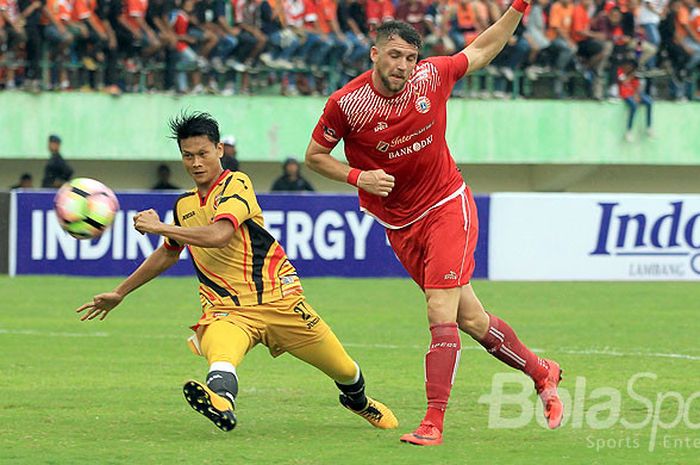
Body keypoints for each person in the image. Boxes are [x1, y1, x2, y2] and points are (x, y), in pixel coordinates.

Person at [305, 18, 563, 446]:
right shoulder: (345, 104)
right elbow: (315, 156)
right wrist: (357, 178)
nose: (404, 65)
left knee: (439, 311)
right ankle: (541, 371)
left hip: (447, 206)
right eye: (395, 55)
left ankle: (433, 421)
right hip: (400, 224)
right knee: (471, 319)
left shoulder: (431, 77)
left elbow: (482, 48)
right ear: (374, 54)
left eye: (410, 57)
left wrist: (518, 8)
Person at [75, 111, 397, 433]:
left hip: (279, 301)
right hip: (226, 309)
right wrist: (120, 292)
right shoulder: (183, 205)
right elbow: (168, 254)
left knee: (344, 369)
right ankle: (221, 403)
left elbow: (219, 235)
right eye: (188, 156)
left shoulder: (237, 184)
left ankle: (358, 402)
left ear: (219, 150)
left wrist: (160, 226)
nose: (196, 163)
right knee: (221, 354)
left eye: (203, 153)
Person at [618, 58, 653, 141]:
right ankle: (629, 130)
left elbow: (637, 86)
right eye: (628, 66)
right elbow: (624, 81)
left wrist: (637, 95)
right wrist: (632, 75)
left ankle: (649, 127)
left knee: (649, 102)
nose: (629, 68)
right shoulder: (620, 71)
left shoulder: (634, 75)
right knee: (633, 106)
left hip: (633, 93)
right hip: (624, 94)